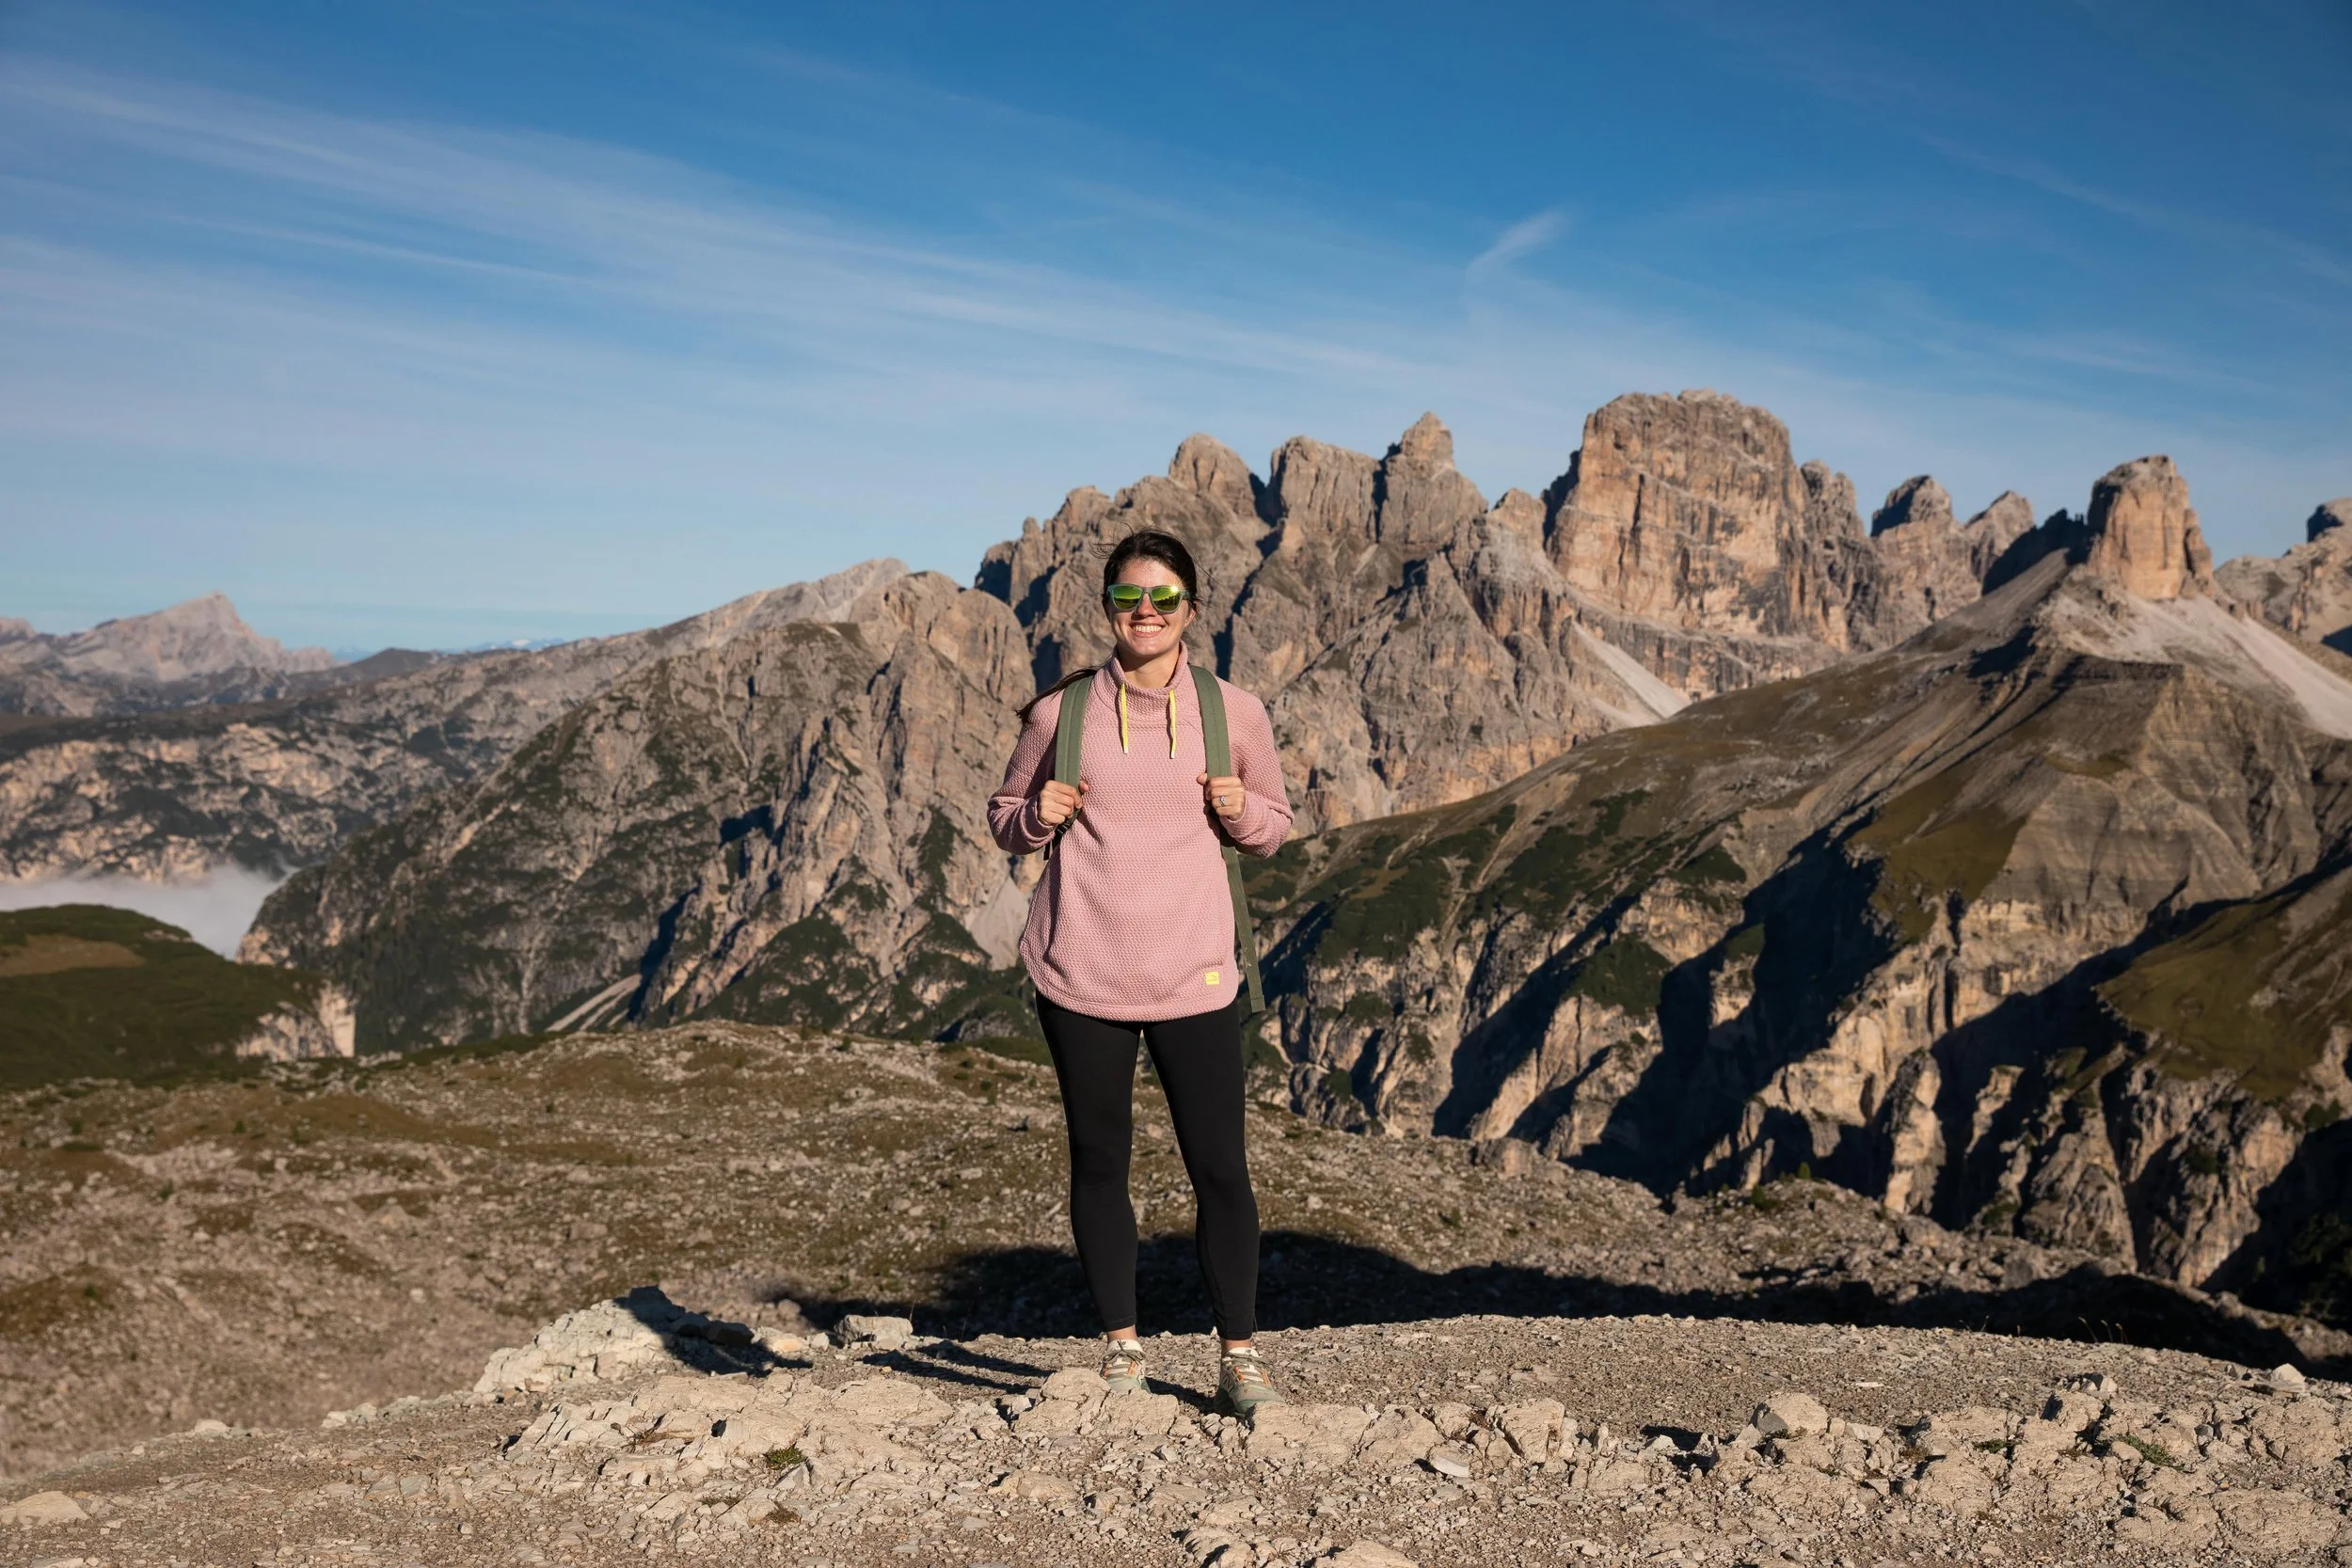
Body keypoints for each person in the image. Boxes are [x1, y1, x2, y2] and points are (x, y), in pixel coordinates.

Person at [987, 528, 1293, 1419]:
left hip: (1194, 973)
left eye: (1162, 599)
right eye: (1127, 600)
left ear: (1193, 610)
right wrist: (1036, 813)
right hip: (1081, 968)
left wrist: (1242, 813)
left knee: (1221, 1169)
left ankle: (1239, 1358)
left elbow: (1276, 824)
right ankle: (1123, 1349)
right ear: (1108, 611)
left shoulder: (1236, 713)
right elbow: (1005, 818)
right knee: (1099, 1161)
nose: (1145, 613)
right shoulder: (1061, 714)